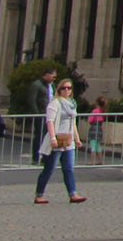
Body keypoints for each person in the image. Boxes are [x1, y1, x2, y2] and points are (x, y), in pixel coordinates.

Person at [35, 75, 86, 204]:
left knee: (69, 168)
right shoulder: (55, 103)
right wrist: (52, 138)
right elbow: (50, 121)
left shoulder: (72, 103)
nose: (67, 91)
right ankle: (39, 194)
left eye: (69, 88)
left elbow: (73, 122)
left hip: (68, 140)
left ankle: (73, 194)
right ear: (59, 90)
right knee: (49, 168)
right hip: (57, 138)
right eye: (64, 88)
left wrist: (77, 138)